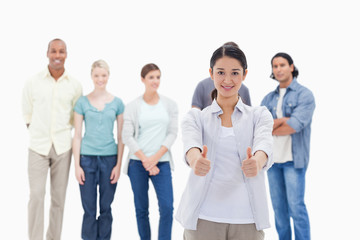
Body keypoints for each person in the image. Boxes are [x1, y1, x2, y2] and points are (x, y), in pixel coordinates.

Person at [176, 45, 274, 240]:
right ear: (211, 73)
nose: (227, 80)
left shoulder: (259, 115)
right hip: (203, 220)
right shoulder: (196, 118)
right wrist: (196, 160)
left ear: (244, 75)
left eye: (235, 73)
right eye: (220, 72)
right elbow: (191, 145)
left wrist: (257, 161)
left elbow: (264, 143)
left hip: (247, 220)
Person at [22, 38, 82, 240]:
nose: (57, 55)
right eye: (54, 51)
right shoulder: (33, 82)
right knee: (37, 196)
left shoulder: (74, 85)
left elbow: (76, 117)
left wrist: (63, 132)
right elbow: (27, 112)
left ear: (66, 55)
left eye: (62, 51)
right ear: (47, 53)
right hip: (37, 147)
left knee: (59, 200)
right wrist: (36, 130)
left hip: (63, 148)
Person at [261, 53, 315, 240]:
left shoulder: (304, 95)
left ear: (291, 67)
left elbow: (295, 126)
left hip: (294, 161)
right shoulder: (268, 99)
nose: (278, 69)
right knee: (279, 211)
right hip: (272, 162)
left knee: (296, 208)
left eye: (282, 65)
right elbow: (260, 128)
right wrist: (283, 120)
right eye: (275, 66)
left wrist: (276, 124)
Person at [122, 63, 178, 240]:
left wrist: (154, 159)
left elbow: (172, 133)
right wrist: (146, 160)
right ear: (142, 79)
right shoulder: (132, 106)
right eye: (151, 77)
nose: (155, 81)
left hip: (161, 161)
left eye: (158, 77)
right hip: (137, 163)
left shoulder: (170, 105)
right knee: (141, 209)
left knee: (167, 207)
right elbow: (127, 136)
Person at [72, 60, 125, 240]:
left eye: (103, 75)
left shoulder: (117, 103)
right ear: (91, 77)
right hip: (86, 159)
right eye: (96, 75)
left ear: (108, 76)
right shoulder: (82, 102)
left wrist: (118, 165)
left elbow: (120, 137)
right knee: (88, 209)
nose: (100, 79)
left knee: (105, 208)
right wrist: (77, 166)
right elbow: (77, 135)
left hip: (109, 159)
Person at [191, 42, 251, 109]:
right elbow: (195, 110)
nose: (227, 81)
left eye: (234, 73)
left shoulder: (245, 90)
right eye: (221, 73)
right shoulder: (202, 85)